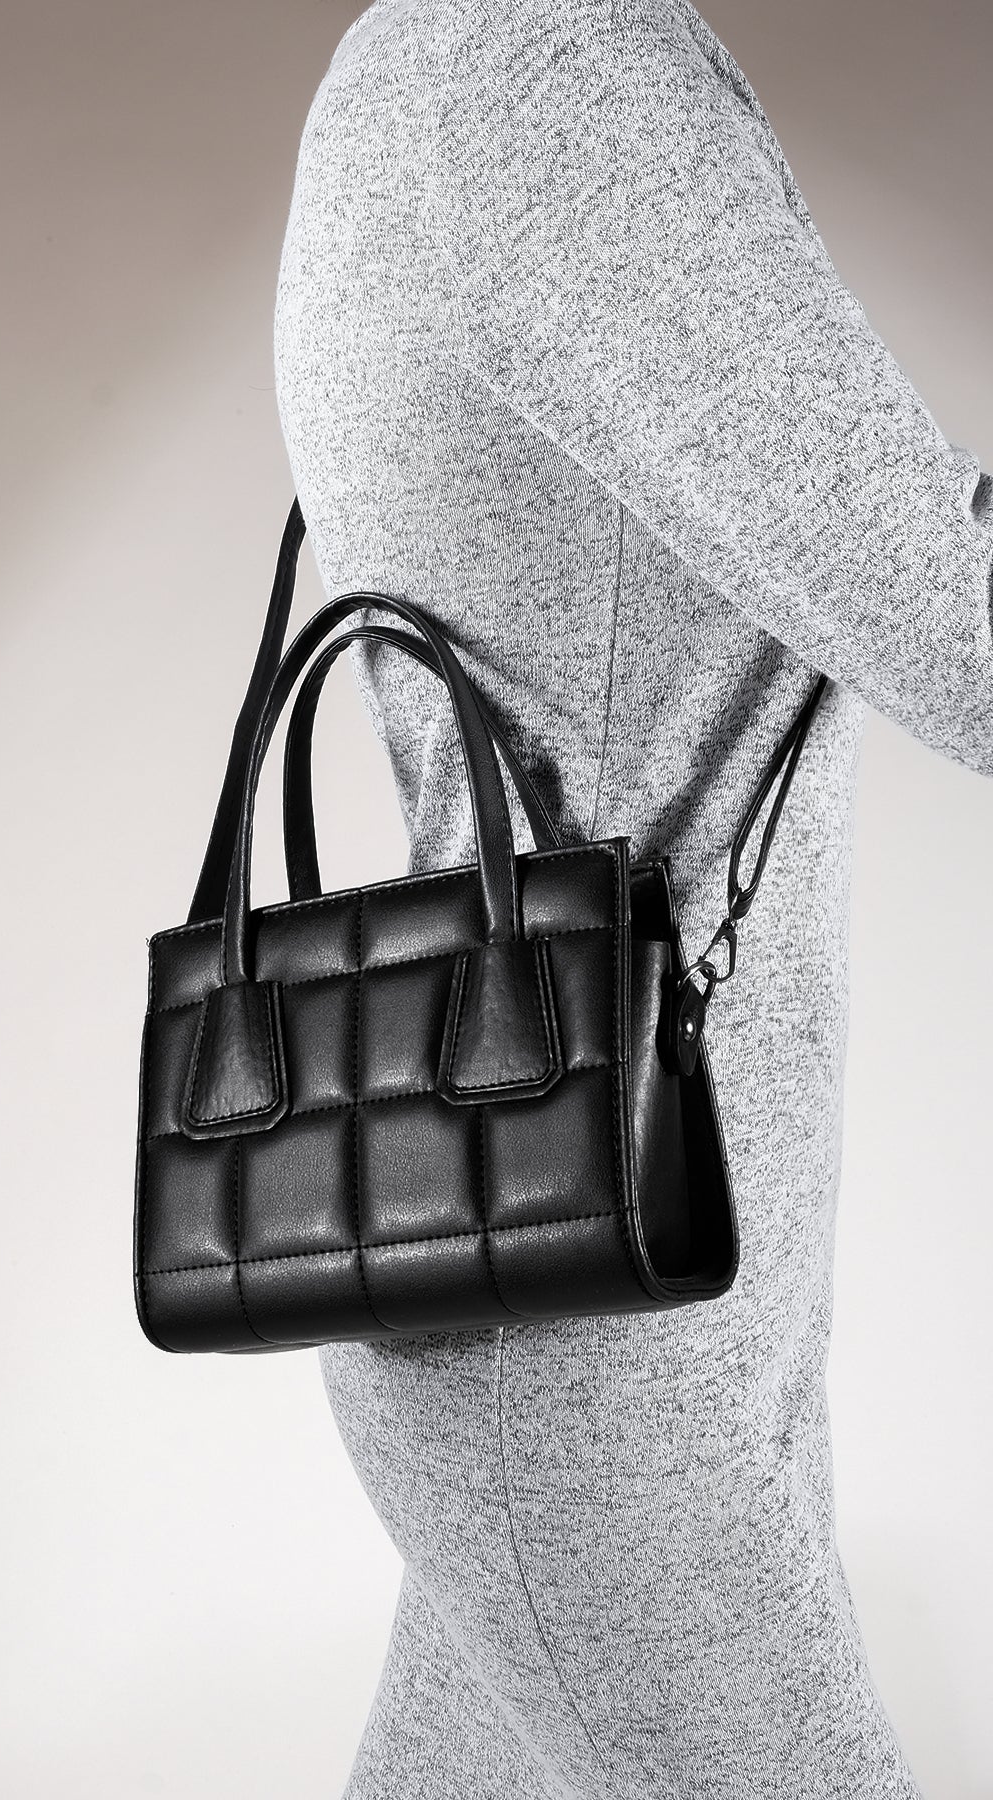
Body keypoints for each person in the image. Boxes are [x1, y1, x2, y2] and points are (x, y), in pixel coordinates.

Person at [272, 2, 993, 1794]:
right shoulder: (549, 74)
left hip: (562, 1283)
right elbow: (959, 629)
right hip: (602, 1342)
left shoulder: (409, 61)